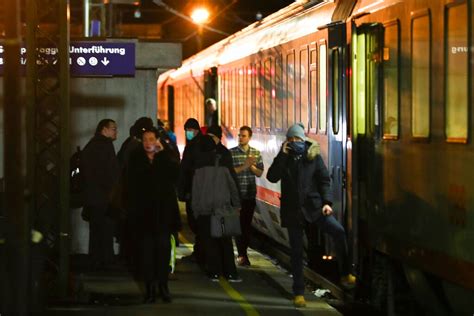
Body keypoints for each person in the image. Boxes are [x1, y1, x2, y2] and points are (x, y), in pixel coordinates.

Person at [266, 123, 356, 308]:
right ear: (287, 141)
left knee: (338, 231)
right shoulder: (284, 157)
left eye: (297, 139)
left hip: (315, 208)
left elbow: (324, 180)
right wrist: (282, 155)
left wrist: (327, 203)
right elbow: (272, 177)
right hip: (293, 211)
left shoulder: (313, 156)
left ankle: (346, 273)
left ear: (304, 139)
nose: (294, 142)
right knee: (297, 253)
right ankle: (298, 293)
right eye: (291, 139)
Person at [126, 127, 181, 303]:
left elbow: (176, 176)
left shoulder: (166, 158)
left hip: (163, 214)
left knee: (163, 252)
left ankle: (163, 287)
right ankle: (150, 289)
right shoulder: (136, 159)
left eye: (151, 139)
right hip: (143, 215)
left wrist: (164, 153)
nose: (148, 143)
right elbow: (130, 186)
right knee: (147, 255)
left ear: (157, 140)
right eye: (145, 140)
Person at [192, 130, 241, 282]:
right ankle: (231, 273)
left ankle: (214, 272)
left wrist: (195, 211)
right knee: (225, 242)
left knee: (210, 243)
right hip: (223, 209)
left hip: (205, 211)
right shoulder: (223, 165)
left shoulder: (198, 169)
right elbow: (233, 186)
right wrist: (237, 205)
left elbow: (195, 192)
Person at [81, 119, 120, 271]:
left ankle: (95, 260)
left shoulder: (91, 145)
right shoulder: (106, 146)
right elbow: (112, 173)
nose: (116, 131)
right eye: (113, 128)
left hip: (92, 196)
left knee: (95, 231)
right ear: (104, 130)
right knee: (106, 230)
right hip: (104, 197)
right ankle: (106, 260)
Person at [229, 126, 264, 266]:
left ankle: (243, 253)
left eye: (243, 136)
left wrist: (251, 166)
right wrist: (244, 165)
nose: (240, 138)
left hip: (250, 195)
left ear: (249, 137)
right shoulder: (231, 153)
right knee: (238, 226)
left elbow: (260, 173)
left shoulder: (256, 153)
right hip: (236, 195)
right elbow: (230, 172)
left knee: (246, 226)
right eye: (239, 135)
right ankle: (242, 254)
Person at [178, 118, 204, 264]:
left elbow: (187, 170)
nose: (188, 133)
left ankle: (199, 252)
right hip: (194, 190)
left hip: (194, 191)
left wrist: (184, 190)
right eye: (186, 130)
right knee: (196, 223)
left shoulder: (194, 146)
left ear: (196, 130)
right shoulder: (194, 144)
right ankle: (199, 251)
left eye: (190, 130)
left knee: (196, 222)